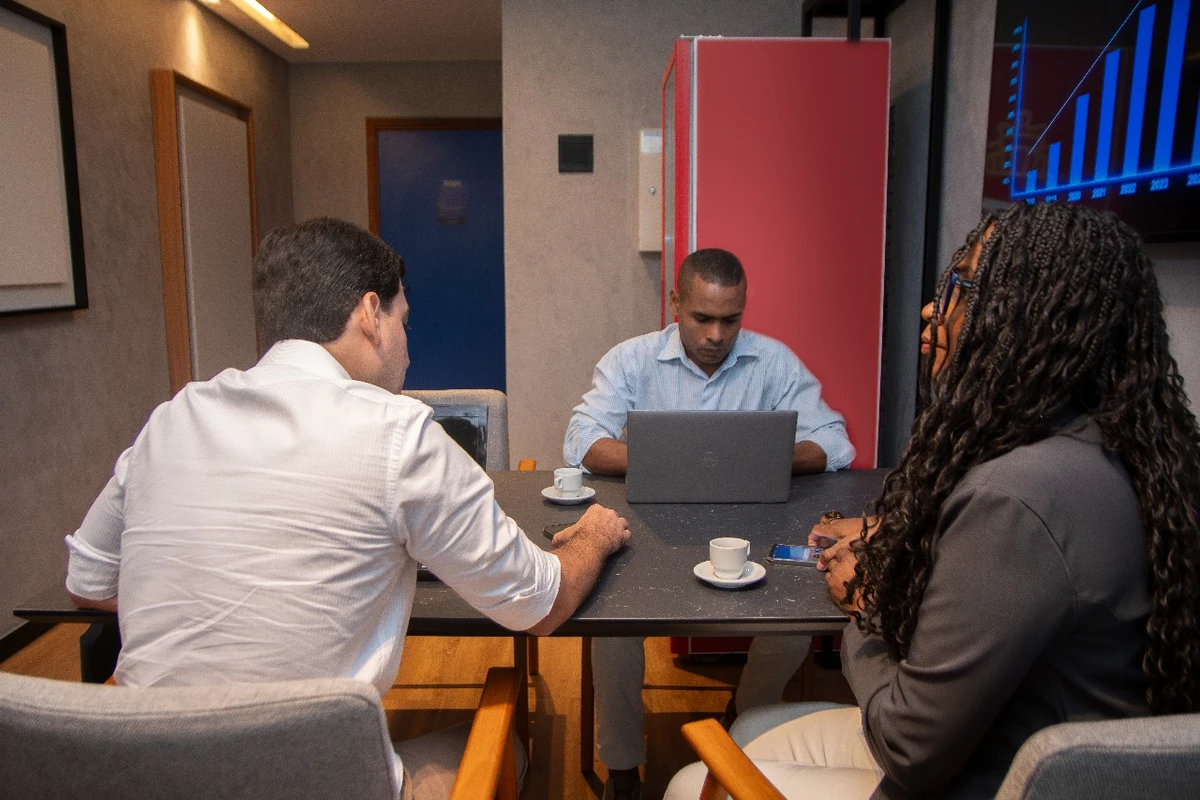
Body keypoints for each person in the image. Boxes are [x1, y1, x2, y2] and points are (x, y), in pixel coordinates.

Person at [64, 217, 631, 800]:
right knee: (508, 745)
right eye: (404, 322)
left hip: (139, 777)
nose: (408, 350)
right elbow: (540, 603)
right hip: (312, 784)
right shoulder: (398, 435)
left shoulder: (172, 418)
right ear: (370, 315)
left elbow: (87, 580)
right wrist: (594, 534)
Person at [666, 202, 1200, 799]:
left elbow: (908, 748)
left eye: (963, 286)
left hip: (976, 774)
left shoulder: (1015, 501)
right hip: (1022, 745)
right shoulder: (1127, 453)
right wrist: (906, 529)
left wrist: (863, 609)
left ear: (1026, 316)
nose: (931, 308)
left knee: (692, 781)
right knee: (754, 732)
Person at [563, 247, 856, 799]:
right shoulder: (630, 360)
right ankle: (623, 768)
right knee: (609, 627)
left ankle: (743, 719)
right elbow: (581, 441)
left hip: (749, 527)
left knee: (794, 621)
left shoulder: (774, 362)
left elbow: (836, 441)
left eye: (730, 319)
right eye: (703, 318)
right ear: (676, 303)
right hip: (648, 527)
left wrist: (757, 456)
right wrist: (679, 457)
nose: (717, 334)